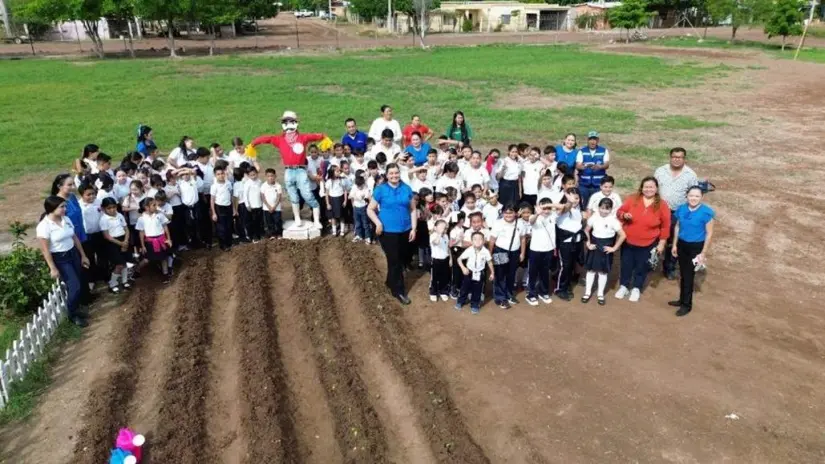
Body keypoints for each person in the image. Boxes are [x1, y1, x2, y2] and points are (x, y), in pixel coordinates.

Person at [251, 111, 327, 229]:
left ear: (296, 123)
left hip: (301, 170)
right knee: (293, 196)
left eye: (291, 121)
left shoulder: (302, 138)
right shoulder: (280, 140)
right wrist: (253, 143)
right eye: (286, 122)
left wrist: (324, 137)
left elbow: (316, 136)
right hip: (288, 171)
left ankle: (317, 220)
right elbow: (267, 139)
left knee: (307, 194)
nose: (289, 124)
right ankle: (297, 218)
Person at [36, 196, 91, 327]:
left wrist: (83, 255)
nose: (64, 209)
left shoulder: (66, 219)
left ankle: (75, 309)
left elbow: (74, 238)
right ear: (51, 208)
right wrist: (52, 268)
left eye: (64, 206)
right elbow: (45, 250)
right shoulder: (44, 226)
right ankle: (72, 314)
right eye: (61, 207)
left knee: (78, 282)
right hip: (61, 258)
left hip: (73, 253)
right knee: (74, 286)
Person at [367, 163, 417, 305]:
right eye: (391, 173)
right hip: (388, 232)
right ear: (387, 175)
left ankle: (390, 282)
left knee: (400, 259)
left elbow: (413, 209)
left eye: (396, 173)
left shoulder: (406, 188)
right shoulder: (380, 190)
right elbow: (370, 209)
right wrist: (378, 223)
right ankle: (399, 291)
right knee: (394, 261)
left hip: (405, 230)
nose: (394, 176)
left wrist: (414, 228)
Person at [615, 177, 671, 303]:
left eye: (651, 187)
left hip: (648, 242)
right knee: (626, 264)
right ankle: (624, 286)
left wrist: (662, 243)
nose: (648, 189)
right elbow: (619, 212)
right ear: (642, 188)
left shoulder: (662, 205)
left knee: (641, 266)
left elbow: (665, 225)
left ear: (656, 188)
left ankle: (636, 288)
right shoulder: (633, 198)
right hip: (628, 240)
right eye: (646, 187)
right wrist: (624, 215)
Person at [669, 186, 714, 317]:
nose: (693, 198)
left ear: (702, 197)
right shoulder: (681, 209)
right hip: (682, 244)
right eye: (691, 196)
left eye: (697, 196)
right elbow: (677, 226)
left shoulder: (707, 212)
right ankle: (682, 299)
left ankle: (686, 305)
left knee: (689, 275)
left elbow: (709, 234)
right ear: (687, 196)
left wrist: (703, 252)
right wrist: (674, 245)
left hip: (696, 247)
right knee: (683, 273)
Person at [654, 147, 699, 280]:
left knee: (674, 240)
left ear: (684, 159)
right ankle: (650, 262)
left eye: (679, 157)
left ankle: (669, 267)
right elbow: (653, 188)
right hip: (659, 210)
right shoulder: (660, 171)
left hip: (677, 212)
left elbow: (693, 195)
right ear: (670, 157)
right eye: (674, 156)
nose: (676, 159)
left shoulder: (690, 175)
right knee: (655, 236)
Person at [582, 198, 626, 305]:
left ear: (611, 209)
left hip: (606, 249)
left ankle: (600, 293)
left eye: (607, 209)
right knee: (591, 270)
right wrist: (588, 243)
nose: (604, 211)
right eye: (602, 208)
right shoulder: (593, 218)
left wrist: (614, 248)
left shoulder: (613, 221)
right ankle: (587, 292)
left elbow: (623, 235)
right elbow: (586, 230)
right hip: (594, 246)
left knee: (603, 272)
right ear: (598, 208)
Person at [489, 205, 527, 309]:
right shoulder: (498, 223)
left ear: (515, 213)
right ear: (502, 213)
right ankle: (500, 298)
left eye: (511, 212)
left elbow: (523, 239)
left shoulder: (520, 223)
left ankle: (509, 294)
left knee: (511, 274)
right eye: (506, 212)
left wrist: (522, 253)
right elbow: (492, 240)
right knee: (500, 275)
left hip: (515, 252)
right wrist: (490, 254)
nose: (508, 215)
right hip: (500, 251)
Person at [525, 197, 556, 306]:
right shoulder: (535, 217)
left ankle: (544, 292)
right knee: (533, 273)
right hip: (535, 250)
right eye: (544, 208)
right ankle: (531, 295)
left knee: (545, 272)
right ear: (538, 207)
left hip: (548, 250)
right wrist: (538, 212)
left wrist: (551, 206)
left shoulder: (553, 215)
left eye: (549, 208)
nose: (546, 210)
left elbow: (563, 208)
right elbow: (531, 220)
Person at [553, 188, 583, 301]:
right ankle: (560, 288)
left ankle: (566, 285)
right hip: (565, 242)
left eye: (576, 198)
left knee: (570, 266)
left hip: (576, 241)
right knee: (564, 266)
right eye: (571, 198)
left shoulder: (578, 208)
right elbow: (565, 209)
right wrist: (569, 202)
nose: (575, 201)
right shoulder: (563, 209)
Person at [455, 231, 495, 315]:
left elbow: (489, 262)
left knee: (477, 290)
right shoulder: (469, 250)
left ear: (484, 241)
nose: (477, 241)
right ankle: (460, 301)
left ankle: (475, 304)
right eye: (475, 239)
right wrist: (463, 268)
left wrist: (492, 273)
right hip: (469, 272)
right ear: (472, 241)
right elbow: (459, 259)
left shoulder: (486, 251)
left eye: (480, 239)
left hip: (479, 273)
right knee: (464, 288)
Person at [136, 197, 172, 283]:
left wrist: (169, 239)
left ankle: (165, 274)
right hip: (150, 242)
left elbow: (165, 227)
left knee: (163, 258)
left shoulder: (160, 215)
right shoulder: (141, 219)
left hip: (161, 240)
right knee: (146, 260)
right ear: (146, 207)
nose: (156, 206)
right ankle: (136, 270)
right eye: (154, 205)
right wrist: (143, 245)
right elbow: (141, 232)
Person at [99, 197, 131, 293]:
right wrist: (120, 243)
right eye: (109, 208)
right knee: (119, 264)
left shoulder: (119, 215)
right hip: (113, 243)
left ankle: (125, 281)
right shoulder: (104, 219)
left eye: (114, 207)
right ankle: (112, 283)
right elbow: (106, 236)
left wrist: (126, 240)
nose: (112, 210)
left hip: (123, 239)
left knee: (125, 262)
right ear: (104, 209)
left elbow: (126, 229)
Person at [576, 131, 610, 209]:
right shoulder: (582, 151)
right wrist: (584, 167)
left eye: (594, 139)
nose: (592, 141)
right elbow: (578, 165)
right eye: (591, 139)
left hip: (598, 185)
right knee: (582, 205)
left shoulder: (604, 151)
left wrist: (600, 167)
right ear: (587, 140)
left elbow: (607, 164)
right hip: (584, 185)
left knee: (597, 206)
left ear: (597, 140)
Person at [211, 165, 234, 250]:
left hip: (228, 206)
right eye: (218, 174)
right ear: (215, 175)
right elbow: (212, 200)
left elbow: (231, 195)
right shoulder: (214, 186)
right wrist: (213, 213)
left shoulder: (228, 183)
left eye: (222, 173)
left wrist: (233, 208)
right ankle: (223, 245)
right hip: (219, 208)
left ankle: (229, 243)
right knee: (221, 228)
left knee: (228, 225)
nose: (221, 175)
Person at [429, 219, 451, 302]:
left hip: (445, 259)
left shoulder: (446, 236)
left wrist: (450, 259)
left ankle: (443, 291)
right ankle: (433, 292)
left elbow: (447, 248)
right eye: (441, 227)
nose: (444, 229)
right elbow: (436, 242)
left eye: (445, 228)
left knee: (444, 277)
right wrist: (439, 234)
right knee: (434, 277)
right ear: (435, 228)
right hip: (436, 260)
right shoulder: (433, 236)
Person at [261, 168, 284, 240]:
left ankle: (279, 234)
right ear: (266, 176)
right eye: (268, 176)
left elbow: (279, 197)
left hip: (276, 208)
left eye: (272, 176)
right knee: (269, 222)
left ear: (275, 176)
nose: (270, 178)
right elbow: (263, 197)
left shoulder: (278, 186)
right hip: (267, 208)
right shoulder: (263, 186)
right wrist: (268, 206)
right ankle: (272, 234)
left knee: (277, 221)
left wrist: (274, 206)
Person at [497, 144, 522, 209]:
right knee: (505, 204)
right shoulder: (504, 161)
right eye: (512, 152)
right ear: (509, 152)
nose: (514, 153)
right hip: (506, 185)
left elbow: (519, 177)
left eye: (516, 152)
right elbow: (498, 177)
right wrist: (503, 168)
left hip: (515, 185)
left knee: (515, 204)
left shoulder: (519, 161)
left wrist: (520, 191)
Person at [325, 165, 347, 236]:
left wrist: (345, 200)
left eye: (339, 171)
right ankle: (334, 230)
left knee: (342, 215)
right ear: (332, 172)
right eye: (337, 171)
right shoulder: (328, 182)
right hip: (332, 200)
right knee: (333, 216)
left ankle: (342, 230)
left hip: (340, 199)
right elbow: (327, 194)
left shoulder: (342, 180)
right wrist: (328, 203)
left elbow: (345, 191)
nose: (339, 172)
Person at [350, 173, 372, 243]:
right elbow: (350, 196)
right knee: (357, 223)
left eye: (361, 185)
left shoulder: (366, 187)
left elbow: (366, 197)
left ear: (363, 183)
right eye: (358, 186)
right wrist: (355, 198)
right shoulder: (354, 187)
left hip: (363, 208)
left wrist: (360, 197)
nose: (359, 187)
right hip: (356, 207)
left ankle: (367, 237)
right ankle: (359, 235)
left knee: (365, 223)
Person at [244, 166, 264, 242]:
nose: (253, 176)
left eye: (254, 174)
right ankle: (254, 236)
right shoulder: (247, 183)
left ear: (257, 173)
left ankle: (260, 234)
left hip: (259, 204)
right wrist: (247, 205)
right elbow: (245, 195)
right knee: (253, 222)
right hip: (252, 206)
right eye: (251, 175)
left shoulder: (259, 181)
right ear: (248, 175)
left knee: (260, 221)